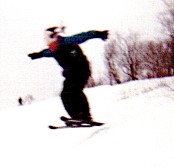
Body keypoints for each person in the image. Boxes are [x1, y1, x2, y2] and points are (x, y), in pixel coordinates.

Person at [28, 25, 108, 121]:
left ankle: (84, 115)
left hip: (81, 70)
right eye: (49, 46)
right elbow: (46, 53)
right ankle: (77, 115)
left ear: (55, 39)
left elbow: (84, 35)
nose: (50, 47)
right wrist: (38, 55)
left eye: (51, 44)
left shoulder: (67, 42)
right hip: (71, 74)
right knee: (65, 94)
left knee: (75, 91)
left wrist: (99, 34)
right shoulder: (53, 50)